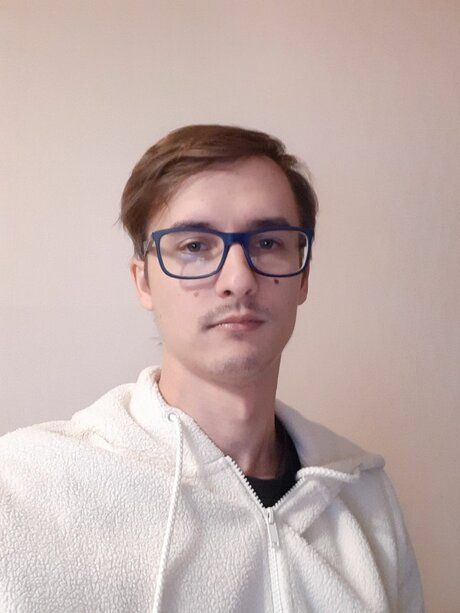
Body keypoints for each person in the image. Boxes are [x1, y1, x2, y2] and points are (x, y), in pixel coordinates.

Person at [0, 124, 424, 612]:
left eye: (269, 243)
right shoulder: (25, 488)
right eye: (195, 246)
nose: (238, 280)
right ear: (143, 281)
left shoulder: (365, 497)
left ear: (303, 278)